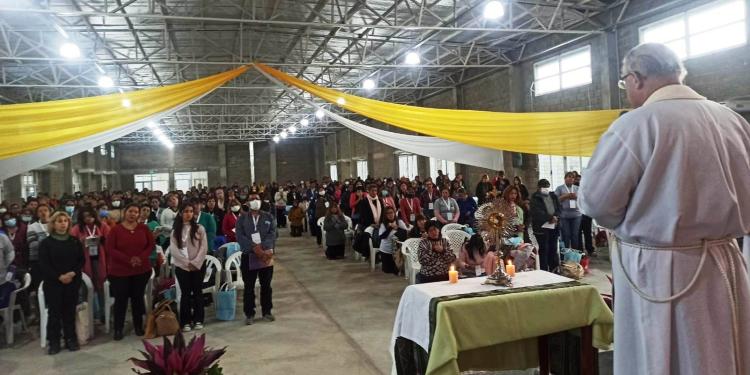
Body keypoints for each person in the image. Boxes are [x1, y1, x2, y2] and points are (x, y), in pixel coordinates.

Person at [579, 43, 750, 375]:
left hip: (660, 269)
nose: (626, 88)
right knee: (720, 353)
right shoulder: (734, 122)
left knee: (662, 357)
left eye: (624, 81)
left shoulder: (638, 125)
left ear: (637, 78)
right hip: (725, 262)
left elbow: (598, 202)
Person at [105, 203, 155, 340]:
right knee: (121, 300)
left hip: (141, 270)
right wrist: (128, 260)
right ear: (124, 212)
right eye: (130, 211)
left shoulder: (144, 228)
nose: (133, 214)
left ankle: (138, 326)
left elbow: (150, 245)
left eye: (135, 212)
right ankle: (118, 328)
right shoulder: (115, 230)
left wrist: (140, 258)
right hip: (120, 271)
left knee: (137, 298)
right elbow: (110, 249)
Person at [37, 211, 84, 354]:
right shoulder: (46, 243)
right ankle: (54, 341)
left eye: (65, 221)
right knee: (55, 313)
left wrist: (71, 273)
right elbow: (44, 264)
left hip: (72, 281)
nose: (63, 223)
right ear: (53, 224)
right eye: (59, 221)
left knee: (69, 311)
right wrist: (59, 276)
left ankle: (71, 339)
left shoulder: (74, 241)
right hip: (54, 283)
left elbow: (81, 260)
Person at [236, 192, 276, 325]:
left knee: (266, 285)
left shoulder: (268, 216)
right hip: (249, 255)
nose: (255, 201)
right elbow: (240, 236)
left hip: (266, 255)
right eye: (252, 199)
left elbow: (273, 233)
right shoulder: (242, 219)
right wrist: (254, 247)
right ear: (247, 203)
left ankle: (267, 311)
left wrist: (263, 247)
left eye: (257, 199)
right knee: (249, 286)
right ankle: (249, 313)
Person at [168, 203, 208, 332]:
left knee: (197, 292)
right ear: (181, 213)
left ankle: (198, 319)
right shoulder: (175, 231)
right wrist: (186, 263)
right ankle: (185, 321)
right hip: (182, 267)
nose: (189, 214)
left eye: (191, 211)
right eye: (186, 211)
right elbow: (174, 250)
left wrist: (195, 262)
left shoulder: (199, 228)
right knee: (185, 294)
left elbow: (203, 247)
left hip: (198, 266)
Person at [70, 206, 110, 323]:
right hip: (85, 261)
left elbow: (110, 240)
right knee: (88, 287)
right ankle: (93, 314)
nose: (88, 219)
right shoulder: (77, 228)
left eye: (90, 216)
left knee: (101, 287)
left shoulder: (102, 226)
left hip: (100, 259)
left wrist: (101, 239)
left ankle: (103, 313)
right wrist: (80, 241)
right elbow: (72, 243)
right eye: (85, 216)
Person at [530, 179, 561, 272]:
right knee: (544, 249)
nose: (545, 189)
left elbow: (558, 208)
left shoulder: (553, 196)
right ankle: (544, 270)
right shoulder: (535, 197)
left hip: (553, 227)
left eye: (547, 187)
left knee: (553, 248)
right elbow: (537, 212)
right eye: (543, 187)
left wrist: (556, 216)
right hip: (541, 227)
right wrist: (549, 218)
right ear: (538, 187)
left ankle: (554, 268)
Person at [26, 204, 51, 290]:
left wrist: (42, 240)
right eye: (40, 211)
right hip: (37, 260)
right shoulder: (32, 227)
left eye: (45, 210)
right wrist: (51, 242)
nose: (43, 213)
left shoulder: (55, 224)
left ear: (49, 212)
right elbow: (32, 245)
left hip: (53, 259)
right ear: (37, 214)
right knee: (39, 285)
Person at [378, 207, 408, 275]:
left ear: (394, 213)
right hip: (386, 251)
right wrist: (390, 228)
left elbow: (406, 234)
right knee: (388, 271)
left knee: (397, 271)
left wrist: (398, 229)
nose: (390, 214)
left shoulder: (399, 222)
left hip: (397, 251)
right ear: (385, 215)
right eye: (387, 213)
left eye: (391, 212)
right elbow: (382, 237)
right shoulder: (383, 224)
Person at [555, 172, 582, 249]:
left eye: (572, 177)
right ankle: (565, 256)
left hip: (576, 215)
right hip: (564, 215)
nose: (571, 178)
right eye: (569, 177)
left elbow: (583, 200)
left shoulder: (577, 188)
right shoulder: (560, 188)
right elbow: (555, 200)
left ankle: (574, 257)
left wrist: (576, 197)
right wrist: (566, 196)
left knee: (575, 235)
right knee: (565, 235)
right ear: (565, 178)